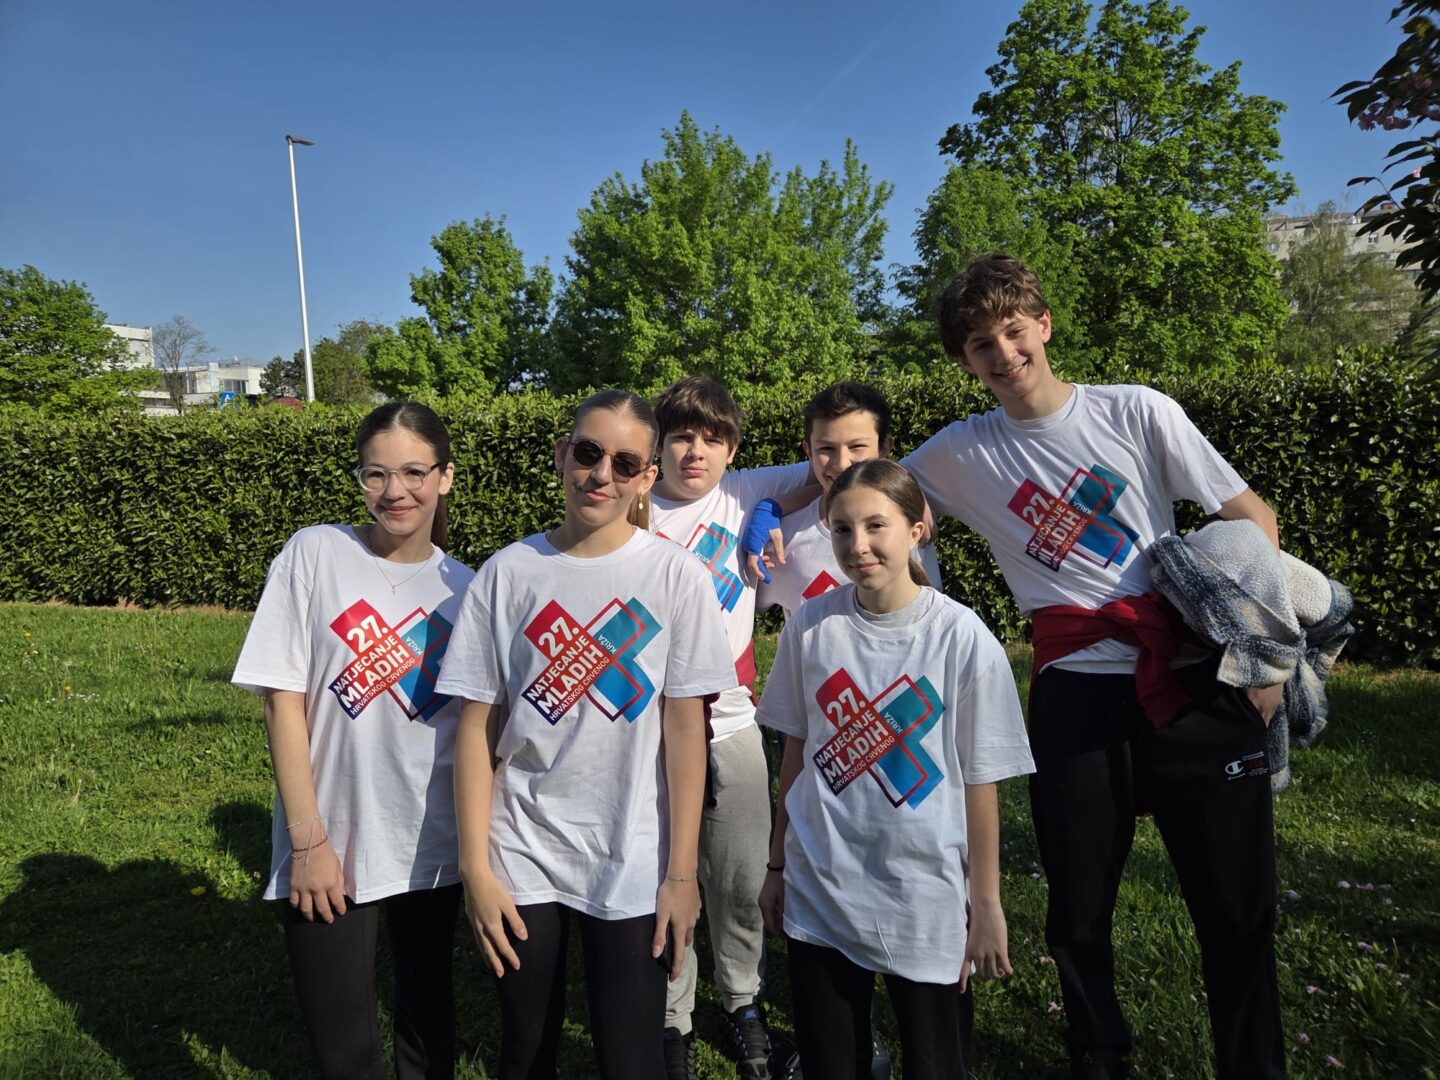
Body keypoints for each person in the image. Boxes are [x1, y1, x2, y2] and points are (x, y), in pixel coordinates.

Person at [902, 254, 1286, 1079]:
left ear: (1044, 325)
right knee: (1078, 912)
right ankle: (1097, 1059)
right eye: (981, 344)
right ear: (964, 361)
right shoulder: (961, 451)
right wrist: (762, 509)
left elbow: (1253, 519)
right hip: (1074, 693)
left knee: (1237, 910)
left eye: (1014, 331)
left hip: (1189, 672)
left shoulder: (1136, 411)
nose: (1004, 354)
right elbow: (867, 489)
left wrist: (1265, 660)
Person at [434, 389, 736, 1080]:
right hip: (522, 844)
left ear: (646, 478)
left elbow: (685, 732)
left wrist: (682, 875)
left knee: (631, 1057)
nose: (602, 473)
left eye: (625, 463)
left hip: (632, 847)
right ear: (561, 455)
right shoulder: (508, 574)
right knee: (526, 1048)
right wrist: (475, 869)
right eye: (589, 452)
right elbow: (476, 729)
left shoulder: (676, 577)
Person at [756, 459, 1034, 1080]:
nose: (858, 545)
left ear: (916, 529)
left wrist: (986, 903)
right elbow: (796, 754)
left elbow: (980, 782)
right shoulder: (811, 625)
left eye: (876, 526)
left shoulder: (962, 638)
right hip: (821, 884)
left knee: (936, 1063)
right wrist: (777, 866)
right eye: (842, 529)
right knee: (832, 1064)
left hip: (923, 896)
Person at [232, 401, 474, 1079]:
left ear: (446, 476)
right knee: (343, 1049)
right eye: (376, 473)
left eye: (414, 472)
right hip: (327, 838)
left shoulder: (468, 588)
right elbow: (282, 701)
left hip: (431, 838)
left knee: (428, 1018)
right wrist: (307, 842)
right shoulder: (315, 553)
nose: (395, 491)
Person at [648, 376, 813, 1080]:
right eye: (681, 437)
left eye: (713, 440)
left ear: (733, 450)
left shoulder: (743, 492)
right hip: (651, 729)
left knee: (741, 874)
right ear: (657, 445)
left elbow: (838, 465)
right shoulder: (633, 504)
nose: (696, 452)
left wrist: (767, 508)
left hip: (733, 719)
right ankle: (672, 1013)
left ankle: (742, 998)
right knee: (666, 871)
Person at [753, 381, 941, 620]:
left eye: (857, 446)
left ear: (885, 447)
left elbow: (930, 617)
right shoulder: (784, 539)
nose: (842, 463)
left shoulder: (908, 529)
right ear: (808, 450)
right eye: (826, 448)